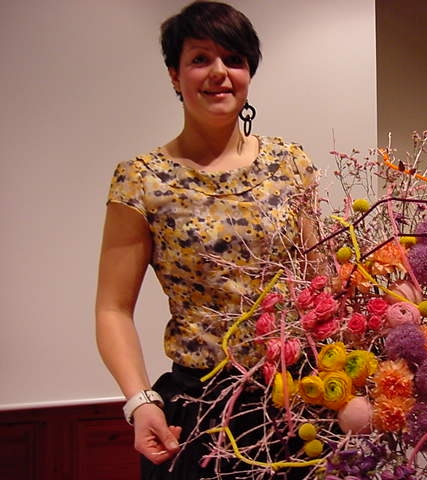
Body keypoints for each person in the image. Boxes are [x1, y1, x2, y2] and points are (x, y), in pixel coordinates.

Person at [95, 2, 322, 478]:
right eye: (200, 59)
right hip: (199, 411)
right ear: (174, 76)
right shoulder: (141, 179)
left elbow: (321, 285)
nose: (219, 72)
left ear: (249, 73)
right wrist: (139, 401)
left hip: (298, 405)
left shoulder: (291, 164)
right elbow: (112, 308)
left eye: (234, 59)